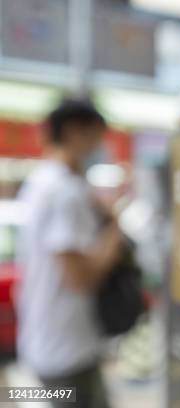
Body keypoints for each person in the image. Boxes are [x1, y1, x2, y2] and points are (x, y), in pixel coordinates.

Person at [16, 99, 122, 408]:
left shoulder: (39, 182)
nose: (99, 146)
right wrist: (114, 231)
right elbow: (80, 278)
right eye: (96, 136)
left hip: (42, 347)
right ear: (75, 132)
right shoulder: (65, 190)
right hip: (69, 354)